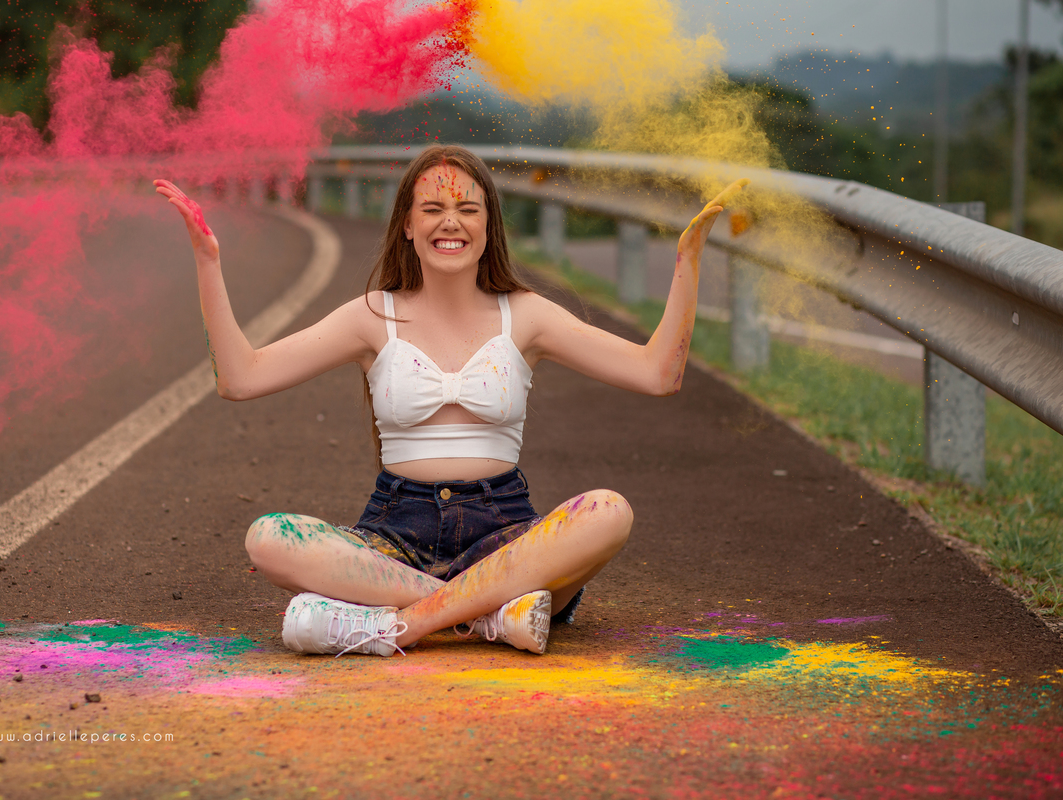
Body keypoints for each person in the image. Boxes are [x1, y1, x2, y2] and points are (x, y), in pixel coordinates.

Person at [155, 145, 745, 658]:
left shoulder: (527, 314)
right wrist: (208, 262)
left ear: (489, 226)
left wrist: (688, 261)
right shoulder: (373, 315)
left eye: (468, 209)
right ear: (407, 226)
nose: (451, 222)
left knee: (609, 512)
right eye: (432, 208)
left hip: (505, 536)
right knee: (269, 537)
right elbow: (241, 377)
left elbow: (656, 374)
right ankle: (488, 615)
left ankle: (407, 625)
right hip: (394, 539)